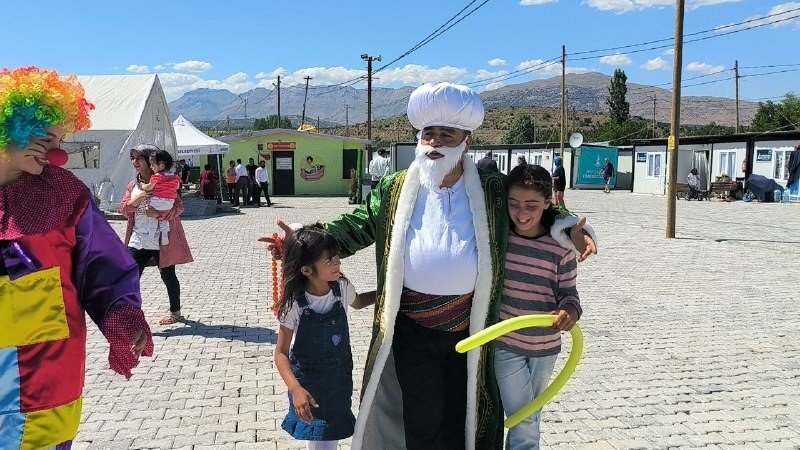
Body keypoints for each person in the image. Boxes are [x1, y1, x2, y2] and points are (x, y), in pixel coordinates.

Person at [261, 82, 597, 450]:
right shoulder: (396, 187)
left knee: (461, 417)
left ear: (466, 141)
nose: (435, 142)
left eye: (446, 134)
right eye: (429, 133)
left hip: (472, 327)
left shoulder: (492, 189)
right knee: (421, 419)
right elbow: (356, 226)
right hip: (412, 328)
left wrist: (572, 229)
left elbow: (534, 207)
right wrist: (302, 242)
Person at [0, 67, 153, 449]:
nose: (57, 153)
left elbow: (102, 265)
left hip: (44, 376)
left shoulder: (64, 192)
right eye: (45, 139)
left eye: (59, 140)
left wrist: (122, 317)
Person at [496, 164, 582, 449]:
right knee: (524, 416)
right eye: (514, 204)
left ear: (548, 203)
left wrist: (570, 312)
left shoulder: (561, 248)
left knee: (532, 413)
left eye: (531, 205)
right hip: (505, 343)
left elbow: (568, 293)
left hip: (545, 347)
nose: (522, 213)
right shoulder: (501, 239)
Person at [275, 225, 375, 450]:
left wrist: (384, 293)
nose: (337, 263)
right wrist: (295, 388)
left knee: (329, 435)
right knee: (320, 437)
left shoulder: (342, 287)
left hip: (339, 380)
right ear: (307, 270)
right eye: (329, 261)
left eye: (337, 257)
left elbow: (358, 303)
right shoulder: (294, 304)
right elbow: (281, 354)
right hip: (308, 383)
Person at [121, 144, 194, 325]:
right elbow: (123, 210)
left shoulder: (167, 183)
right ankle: (131, 315)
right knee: (130, 276)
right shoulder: (133, 185)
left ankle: (175, 312)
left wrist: (159, 214)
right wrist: (135, 200)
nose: (134, 162)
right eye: (133, 158)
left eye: (139, 158)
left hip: (162, 239)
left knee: (168, 275)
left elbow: (178, 207)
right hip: (138, 239)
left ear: (150, 162)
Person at [139, 149, 181, 245]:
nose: (151, 166)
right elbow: (177, 187)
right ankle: (165, 236)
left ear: (162, 165)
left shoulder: (157, 176)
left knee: (152, 218)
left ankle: (150, 235)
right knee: (164, 220)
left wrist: (142, 185)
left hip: (156, 202)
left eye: (152, 164)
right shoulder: (175, 177)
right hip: (169, 204)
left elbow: (149, 187)